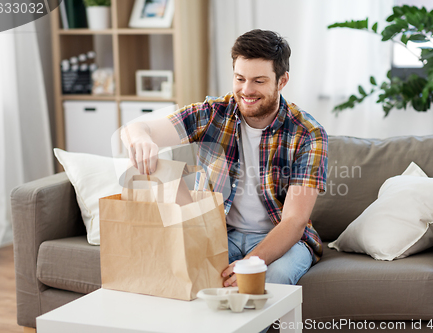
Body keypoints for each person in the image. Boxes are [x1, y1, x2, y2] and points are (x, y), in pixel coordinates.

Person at [121, 29, 328, 288]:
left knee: (271, 279)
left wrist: (251, 262)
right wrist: (140, 138)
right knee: (187, 274)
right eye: (240, 78)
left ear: (282, 81)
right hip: (221, 234)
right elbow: (140, 127)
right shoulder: (214, 113)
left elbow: (294, 222)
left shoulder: (308, 134)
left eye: (259, 81)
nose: (246, 90)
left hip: (282, 239)